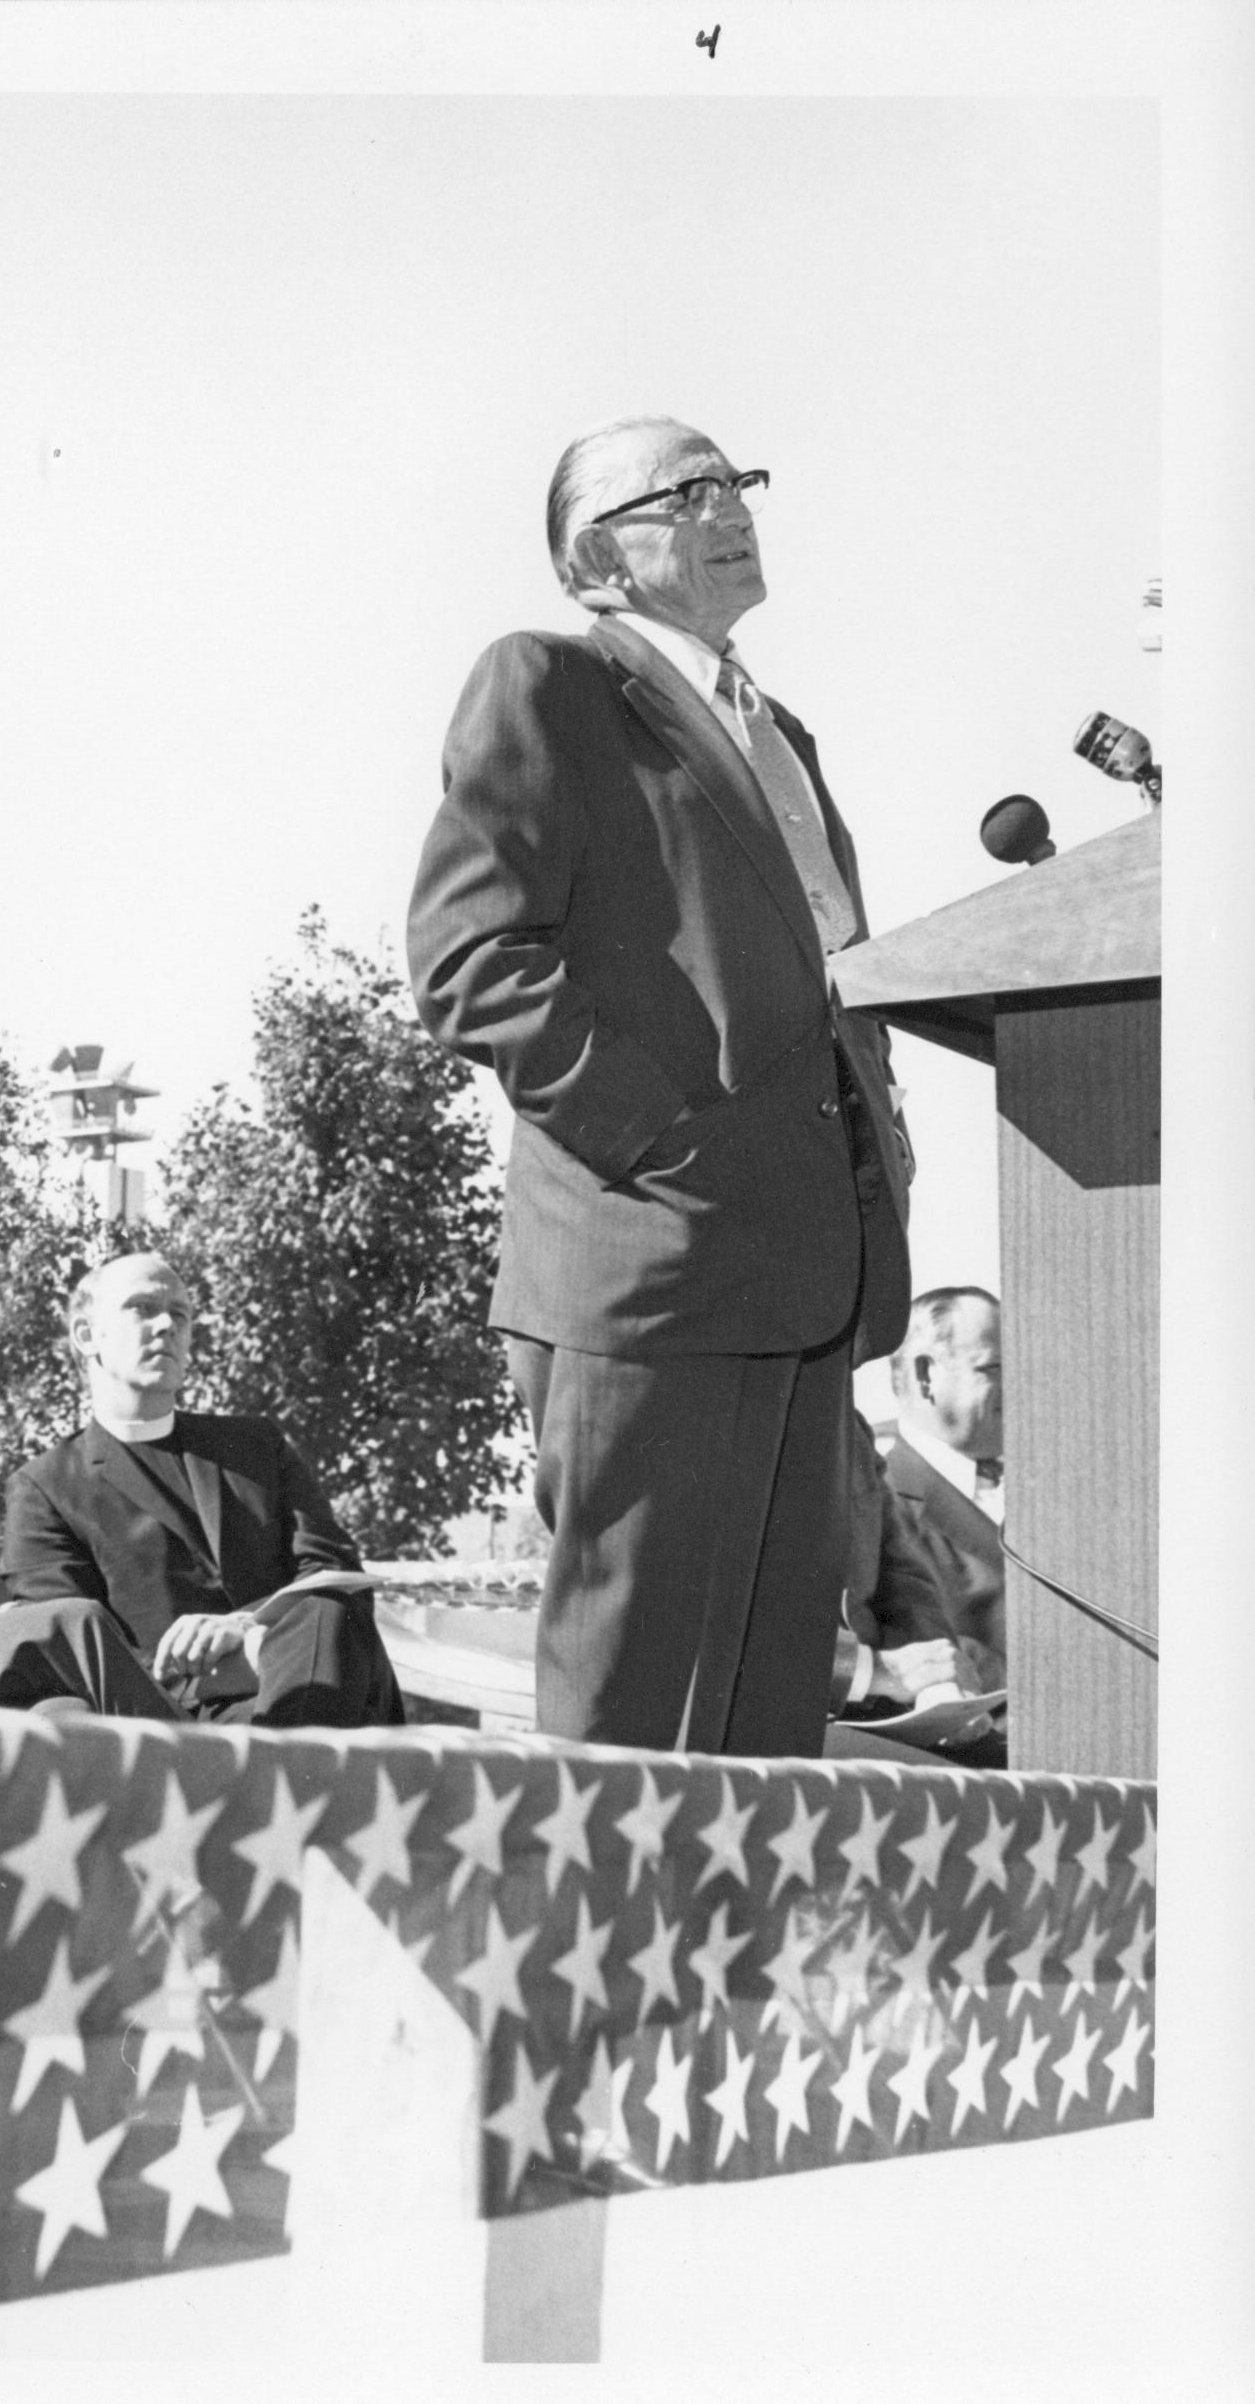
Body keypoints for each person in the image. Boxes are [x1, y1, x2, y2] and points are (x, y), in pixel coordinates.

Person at [407, 415, 912, 1757]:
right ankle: (587, 1977)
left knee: (762, 1735)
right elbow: (470, 959)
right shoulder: (553, 687)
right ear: (596, 556)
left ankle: (735, 1976)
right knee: (632, 1725)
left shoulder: (779, 729)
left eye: (734, 480)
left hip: (807, 1272)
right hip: (653, 1264)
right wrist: (664, 1149)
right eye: (682, 492)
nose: (727, 504)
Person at [0, 1252, 404, 1728]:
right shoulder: (46, 1487)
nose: (167, 1325)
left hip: (304, 1681)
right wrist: (214, 1670)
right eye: (142, 1308)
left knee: (328, 1608)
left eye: (179, 1313)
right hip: (175, 1717)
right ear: (86, 1335)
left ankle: (280, 1772)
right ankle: (284, 1776)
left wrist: (247, 1630)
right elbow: (68, 1648)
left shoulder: (257, 1447)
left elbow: (335, 1574)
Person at [887, 1285, 1008, 1693]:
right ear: (926, 1376)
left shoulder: (1049, 1483)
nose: (1021, 1386)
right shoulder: (883, 1503)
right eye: (994, 1368)